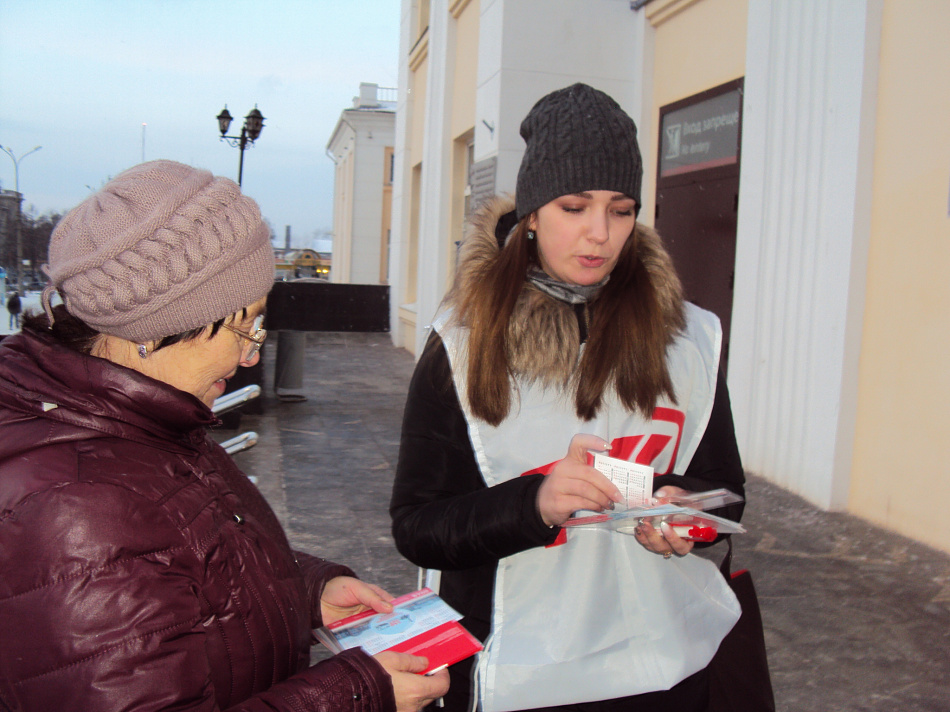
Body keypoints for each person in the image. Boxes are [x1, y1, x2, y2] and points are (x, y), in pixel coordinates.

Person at [0, 160, 449, 712]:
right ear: (153, 327)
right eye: (244, 325)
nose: (251, 354)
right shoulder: (77, 510)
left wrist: (303, 591)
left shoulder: (136, 419)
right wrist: (358, 694)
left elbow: (179, 561)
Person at [390, 84, 746, 712]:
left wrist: (686, 513)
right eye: (574, 207)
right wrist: (535, 502)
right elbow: (419, 527)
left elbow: (726, 489)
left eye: (621, 209)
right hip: (520, 675)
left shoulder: (691, 336)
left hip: (666, 665)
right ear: (531, 213)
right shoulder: (464, 342)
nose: (600, 234)